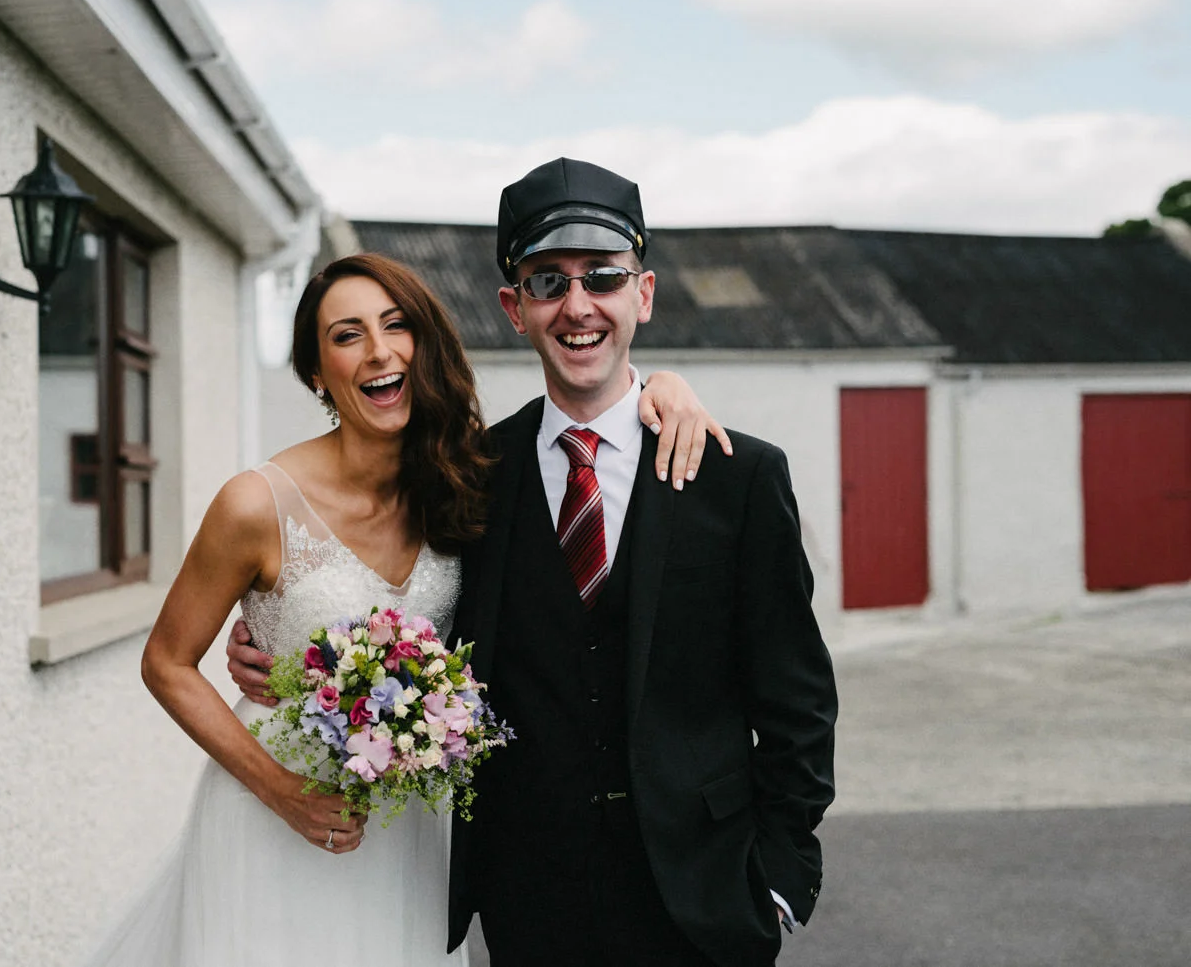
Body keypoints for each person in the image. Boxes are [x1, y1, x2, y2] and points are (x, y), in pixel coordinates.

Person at [231, 158, 838, 967]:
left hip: (707, 897)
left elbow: (797, 700)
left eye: (604, 278)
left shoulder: (739, 476)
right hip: (529, 904)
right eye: (548, 282)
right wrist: (299, 659)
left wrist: (780, 877)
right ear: (515, 309)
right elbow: (409, 617)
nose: (578, 305)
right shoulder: (469, 476)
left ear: (643, 294)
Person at [76, 252, 722, 966]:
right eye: (347, 335)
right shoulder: (255, 504)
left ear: (426, 345)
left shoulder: (468, 482)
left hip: (411, 829)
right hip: (273, 814)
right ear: (316, 371)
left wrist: (667, 387)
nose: (379, 351)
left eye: (395, 325)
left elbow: (592, 426)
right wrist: (284, 791)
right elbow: (166, 662)